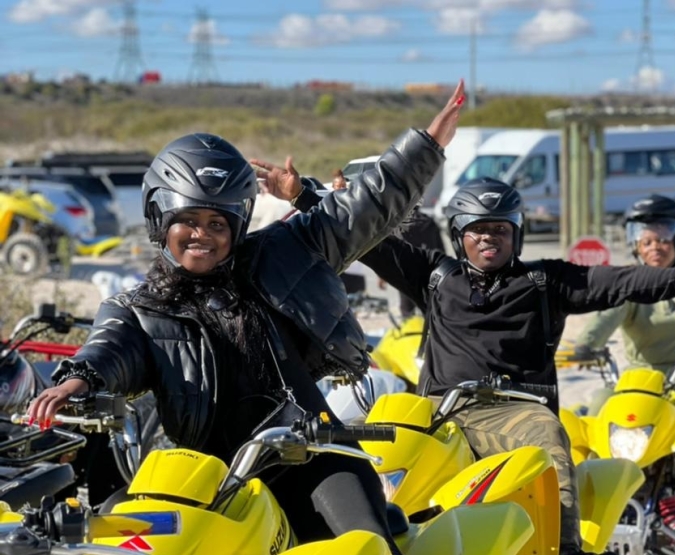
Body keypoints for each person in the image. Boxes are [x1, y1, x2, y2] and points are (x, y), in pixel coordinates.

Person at [25, 81, 466, 553]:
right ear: (160, 219)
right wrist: (77, 380)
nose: (203, 235)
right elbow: (108, 348)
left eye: (218, 224)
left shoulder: (283, 254)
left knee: (366, 544)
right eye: (189, 221)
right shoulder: (138, 308)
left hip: (313, 454)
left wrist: (427, 145)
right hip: (210, 474)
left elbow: (363, 209)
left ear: (238, 226)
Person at [268, 176, 675, 555]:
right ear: (460, 234)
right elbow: (368, 238)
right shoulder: (435, 275)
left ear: (517, 234)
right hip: (437, 411)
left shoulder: (547, 281)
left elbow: (624, 282)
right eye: (477, 230)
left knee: (550, 442)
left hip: (515, 409)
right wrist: (303, 195)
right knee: (363, 454)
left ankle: (564, 547)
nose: (489, 238)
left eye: (500, 230)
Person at [575, 194, 675, 420]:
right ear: (636, 245)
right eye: (646, 241)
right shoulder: (627, 284)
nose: (655, 248)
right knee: (596, 413)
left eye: (663, 239)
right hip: (640, 381)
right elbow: (606, 317)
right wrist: (586, 345)